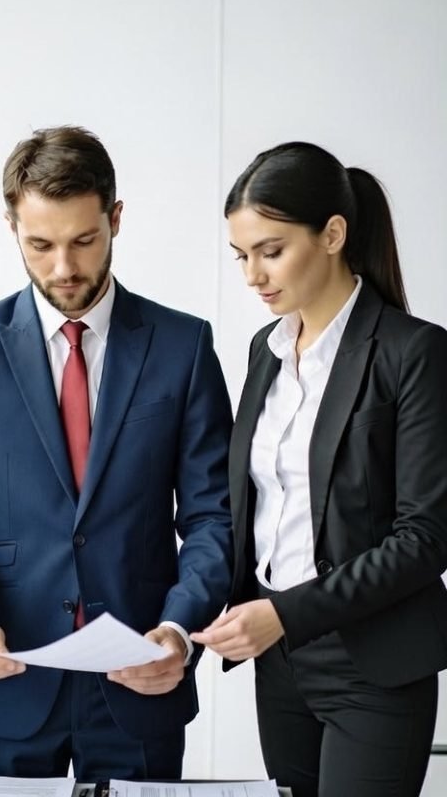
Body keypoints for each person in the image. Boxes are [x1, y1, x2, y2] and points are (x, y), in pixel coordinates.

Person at [0, 125, 233, 779]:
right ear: (11, 229)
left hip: (141, 681)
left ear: (115, 219)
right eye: (40, 244)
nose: (64, 268)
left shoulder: (184, 346)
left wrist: (177, 631)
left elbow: (211, 518)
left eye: (84, 241)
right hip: (7, 681)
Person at [191, 141, 447, 797]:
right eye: (241, 255)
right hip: (280, 663)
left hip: (376, 664)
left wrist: (289, 613)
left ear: (333, 234)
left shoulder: (413, 353)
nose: (252, 275)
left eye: (270, 251)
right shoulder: (266, 351)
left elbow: (426, 538)